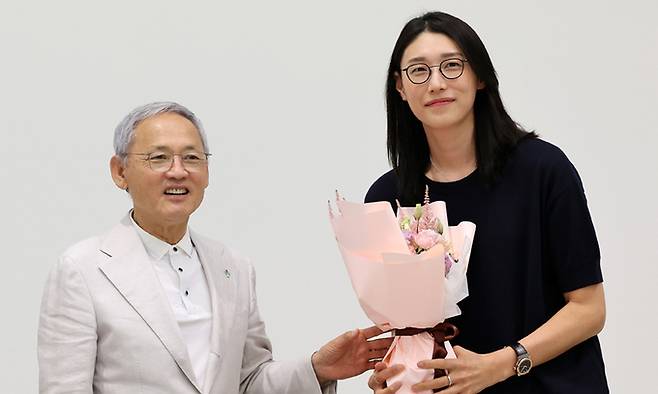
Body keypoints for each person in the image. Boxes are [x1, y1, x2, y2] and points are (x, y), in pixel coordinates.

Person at [38, 101, 393, 394]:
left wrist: (317, 368)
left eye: (192, 158)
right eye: (159, 158)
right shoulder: (82, 270)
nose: (178, 171)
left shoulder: (233, 268)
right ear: (120, 172)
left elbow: (250, 381)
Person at [365, 12, 608, 393]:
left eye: (452, 66)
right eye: (418, 71)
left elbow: (589, 309)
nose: (436, 83)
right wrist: (395, 373)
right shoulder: (387, 199)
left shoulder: (543, 171)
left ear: (479, 76)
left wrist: (503, 363)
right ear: (399, 87)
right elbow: (406, 332)